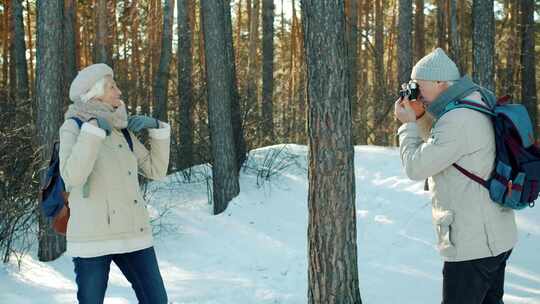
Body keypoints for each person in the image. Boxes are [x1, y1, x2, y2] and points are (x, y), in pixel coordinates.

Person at [394, 48, 517, 304]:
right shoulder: (474, 99)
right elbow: (442, 148)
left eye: (420, 85)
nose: (416, 91)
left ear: (440, 83)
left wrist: (407, 126)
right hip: (494, 235)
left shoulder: (458, 118)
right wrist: (419, 116)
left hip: (473, 244)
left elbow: (416, 168)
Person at [59, 63, 170, 304]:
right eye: (112, 86)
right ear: (94, 92)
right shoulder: (73, 127)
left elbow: (156, 170)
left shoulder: (122, 130)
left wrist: (157, 128)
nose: (119, 92)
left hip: (133, 235)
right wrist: (93, 131)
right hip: (92, 239)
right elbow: (72, 177)